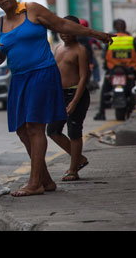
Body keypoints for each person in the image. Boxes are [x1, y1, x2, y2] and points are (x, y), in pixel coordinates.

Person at [0, 0, 112, 197]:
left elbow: (61, 24)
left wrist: (94, 34)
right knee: (21, 130)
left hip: (42, 73)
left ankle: (35, 183)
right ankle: (46, 180)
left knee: (35, 127)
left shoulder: (32, 10)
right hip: (18, 79)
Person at [46, 16, 91, 182]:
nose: (64, 33)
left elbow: (84, 78)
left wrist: (74, 102)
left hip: (76, 95)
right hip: (60, 95)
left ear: (76, 31)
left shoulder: (80, 50)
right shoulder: (58, 48)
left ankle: (73, 169)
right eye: (61, 30)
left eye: (68, 30)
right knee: (52, 131)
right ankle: (79, 158)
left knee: (74, 132)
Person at [94, 18, 136, 120]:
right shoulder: (130, 39)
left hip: (113, 69)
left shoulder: (111, 39)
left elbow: (104, 55)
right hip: (130, 69)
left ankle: (101, 113)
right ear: (125, 27)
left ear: (115, 28)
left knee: (105, 89)